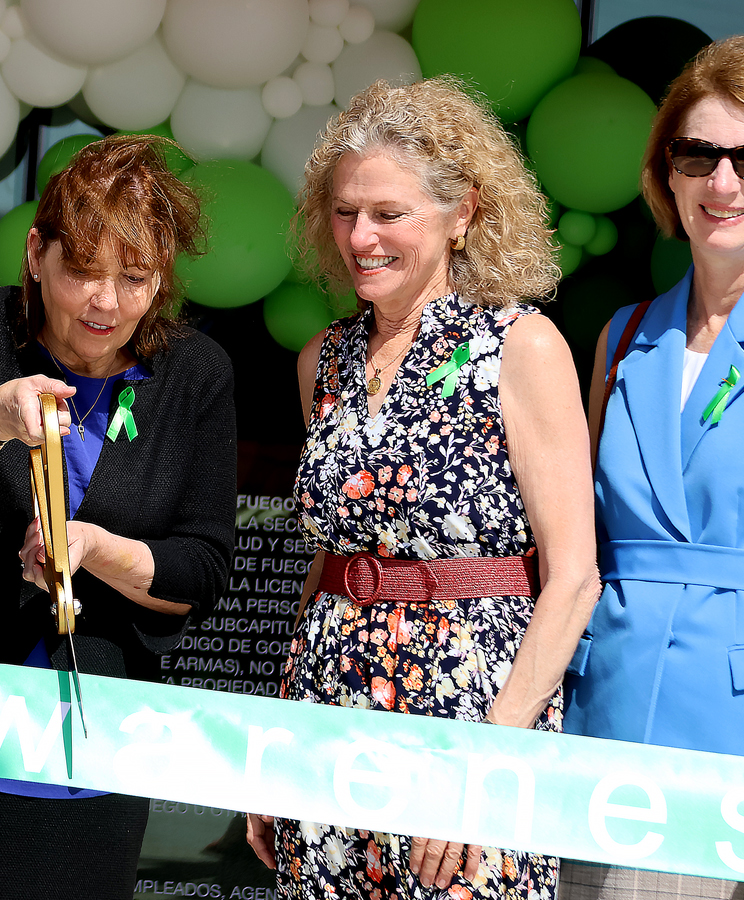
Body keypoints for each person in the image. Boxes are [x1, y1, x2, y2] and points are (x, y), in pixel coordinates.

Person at [245, 78, 600, 900]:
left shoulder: (521, 347)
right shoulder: (321, 361)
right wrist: (278, 747)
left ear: (463, 211)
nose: (360, 236)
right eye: (344, 211)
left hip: (470, 719)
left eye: (388, 213)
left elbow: (574, 580)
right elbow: (327, 566)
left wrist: (486, 766)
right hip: (327, 712)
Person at [0, 134, 238, 900]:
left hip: (91, 752)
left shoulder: (195, 373)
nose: (107, 302)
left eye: (135, 278)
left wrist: (98, 550)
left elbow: (200, 570)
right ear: (37, 254)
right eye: (85, 271)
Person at [561, 35, 744, 900]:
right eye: (698, 154)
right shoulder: (625, 335)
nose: (723, 182)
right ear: (664, 174)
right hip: (607, 721)